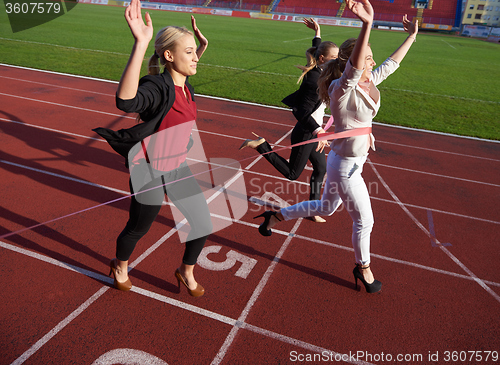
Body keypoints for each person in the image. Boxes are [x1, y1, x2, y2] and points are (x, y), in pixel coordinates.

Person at [254, 0, 418, 293]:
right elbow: (355, 68)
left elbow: (391, 64)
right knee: (364, 221)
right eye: (367, 58)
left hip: (347, 161)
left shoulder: (370, 80)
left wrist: (412, 36)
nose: (372, 62)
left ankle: (275, 216)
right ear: (352, 62)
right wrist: (367, 24)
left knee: (325, 207)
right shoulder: (341, 88)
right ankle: (363, 268)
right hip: (345, 168)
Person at [93, 0, 212, 296]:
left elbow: (187, 68)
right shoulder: (158, 87)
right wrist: (141, 44)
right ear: (169, 56)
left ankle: (186, 270)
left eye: (196, 52)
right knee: (138, 227)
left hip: (177, 166)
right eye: (189, 52)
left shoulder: (187, 86)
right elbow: (126, 102)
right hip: (149, 169)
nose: (196, 57)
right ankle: (120, 265)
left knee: (202, 223)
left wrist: (202, 46)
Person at [239, 18, 338, 223]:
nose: (337, 61)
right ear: (322, 59)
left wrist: (317, 32)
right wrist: (318, 131)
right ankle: (262, 146)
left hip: (313, 132)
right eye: (334, 58)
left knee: (321, 169)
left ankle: (312, 210)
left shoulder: (321, 72)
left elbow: (316, 50)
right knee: (293, 173)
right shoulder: (314, 81)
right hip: (306, 131)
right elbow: (300, 112)